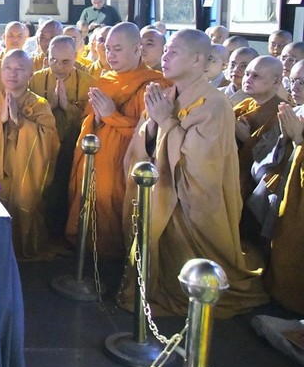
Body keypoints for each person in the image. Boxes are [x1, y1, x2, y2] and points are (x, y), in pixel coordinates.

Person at [120, 29, 268, 318]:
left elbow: (200, 166)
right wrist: (153, 125)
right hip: (160, 192)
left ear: (197, 59)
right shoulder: (166, 94)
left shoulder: (215, 104)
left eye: (173, 52)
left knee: (191, 281)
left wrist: (165, 121)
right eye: (165, 51)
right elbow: (143, 144)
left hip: (191, 204)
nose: (164, 57)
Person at [65, 22, 165, 259]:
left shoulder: (153, 84)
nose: (110, 54)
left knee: (117, 206)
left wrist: (112, 115)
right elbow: (89, 119)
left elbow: (153, 133)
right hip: (93, 157)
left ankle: (117, 260)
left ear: (137, 49)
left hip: (125, 161)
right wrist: (97, 118)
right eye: (108, 48)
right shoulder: (105, 80)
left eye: (118, 49)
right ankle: (86, 254)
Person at [0, 49, 59, 259]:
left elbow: (49, 140)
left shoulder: (39, 105)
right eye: (7, 68)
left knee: (23, 205)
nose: (12, 73)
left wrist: (21, 122)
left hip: (23, 172)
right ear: (1, 71)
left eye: (20, 69)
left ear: (30, 73)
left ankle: (21, 251)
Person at [29, 34, 98, 240]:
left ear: (76, 57)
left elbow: (93, 120)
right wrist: (48, 107)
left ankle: (65, 235)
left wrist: (67, 107)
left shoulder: (89, 83)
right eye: (53, 60)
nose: (59, 67)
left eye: (66, 61)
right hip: (41, 145)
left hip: (74, 144)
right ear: (46, 57)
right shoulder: (35, 80)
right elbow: (26, 115)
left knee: (67, 189)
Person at [264, 60, 304, 313]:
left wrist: (299, 139)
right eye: (294, 81)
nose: (296, 87)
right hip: (289, 195)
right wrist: (286, 137)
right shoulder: (295, 111)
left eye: (303, 83)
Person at [234, 56, 284, 201]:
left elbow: (278, 159)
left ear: (276, 81)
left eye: (255, 76)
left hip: (257, 190)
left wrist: (248, 140)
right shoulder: (244, 105)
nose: (248, 79)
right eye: (247, 74)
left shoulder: (283, 114)